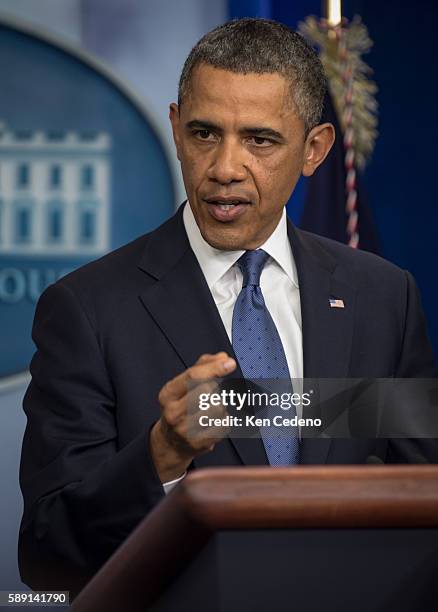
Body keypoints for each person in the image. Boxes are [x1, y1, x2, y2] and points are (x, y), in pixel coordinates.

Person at [19, 18, 437, 597]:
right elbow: (46, 556)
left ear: (314, 150)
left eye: (260, 140)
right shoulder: (87, 309)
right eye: (204, 133)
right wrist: (162, 454)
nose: (224, 168)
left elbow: (424, 497)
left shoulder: (382, 297)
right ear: (174, 128)